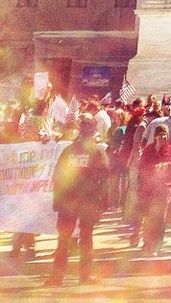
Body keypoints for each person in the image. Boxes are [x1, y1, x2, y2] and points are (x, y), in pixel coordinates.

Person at [46, 117, 109, 286]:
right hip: (84, 201)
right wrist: (103, 203)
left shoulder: (70, 150)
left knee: (66, 239)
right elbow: (104, 178)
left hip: (71, 201)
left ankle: (58, 276)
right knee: (84, 238)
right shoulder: (97, 151)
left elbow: (58, 177)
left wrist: (58, 201)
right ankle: (83, 275)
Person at [138, 123, 171, 251]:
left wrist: (169, 165)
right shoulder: (148, 149)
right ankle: (147, 242)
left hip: (164, 187)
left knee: (161, 216)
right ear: (155, 136)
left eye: (165, 135)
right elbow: (142, 167)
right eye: (161, 135)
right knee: (149, 216)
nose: (163, 137)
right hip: (150, 187)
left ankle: (158, 243)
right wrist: (152, 169)